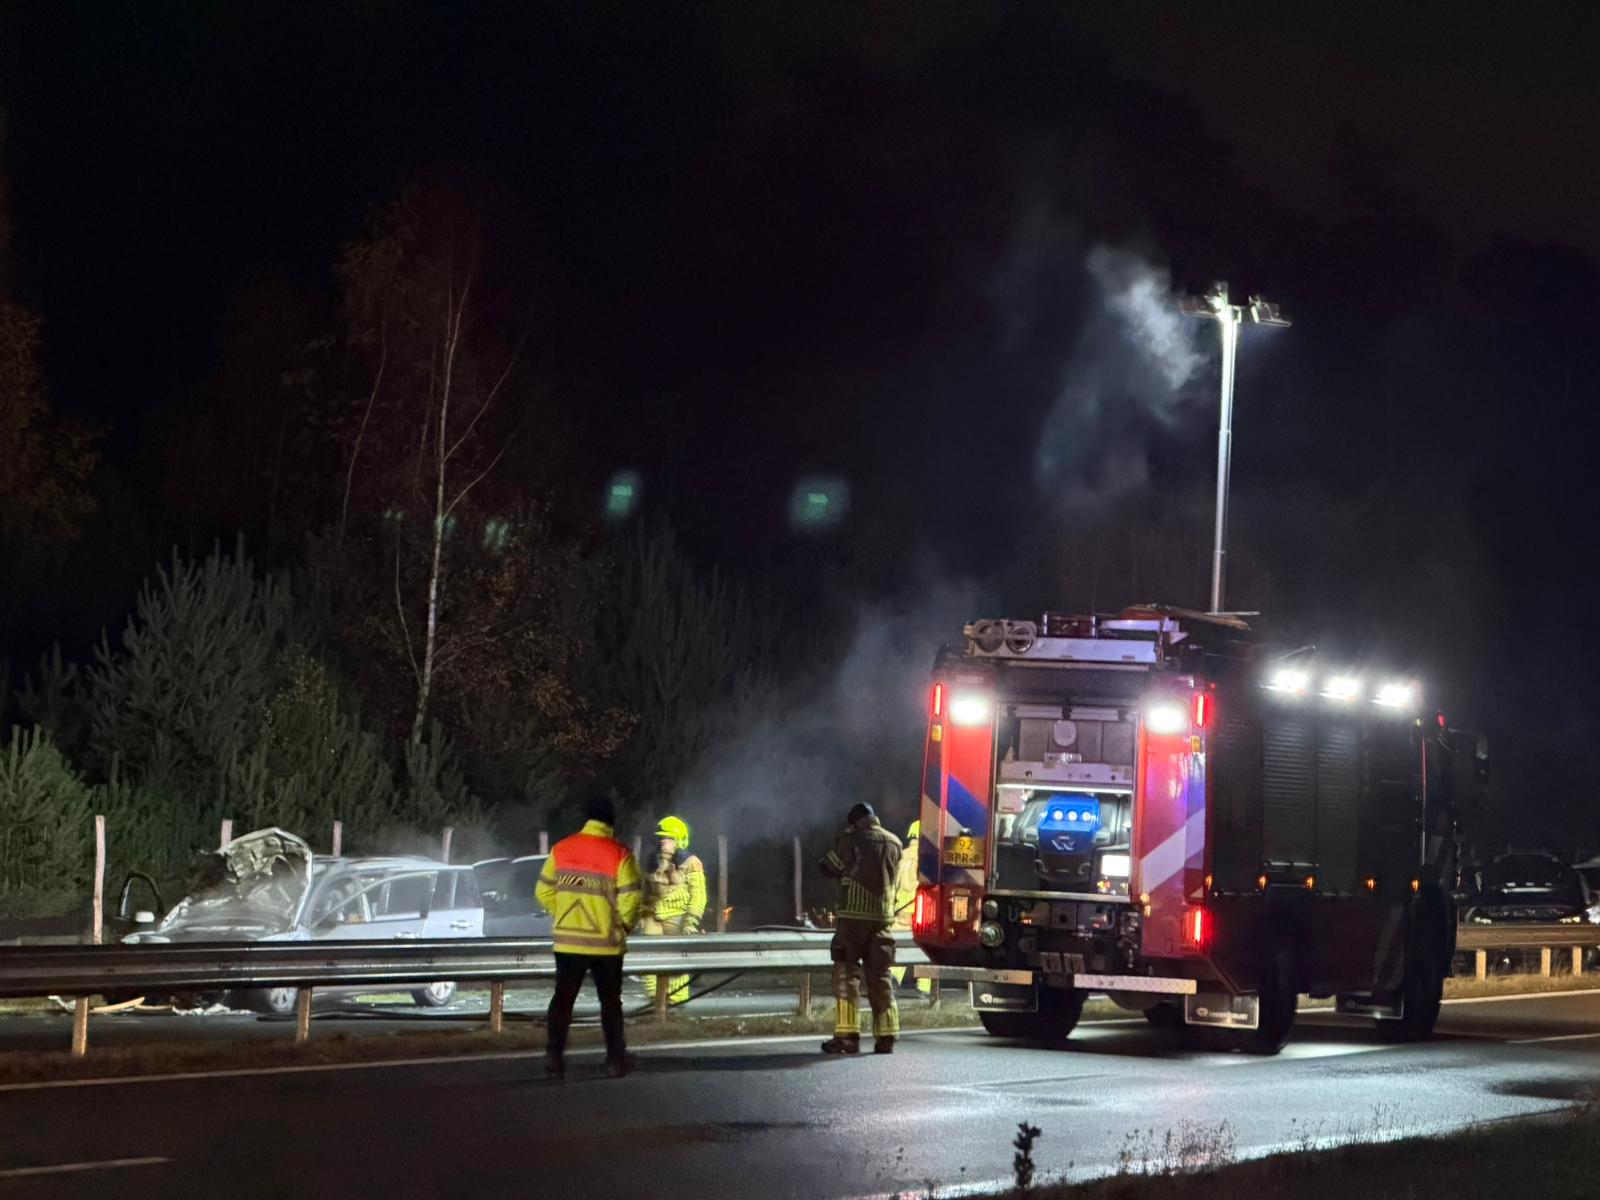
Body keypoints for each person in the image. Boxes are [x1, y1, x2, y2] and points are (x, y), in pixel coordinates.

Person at [536, 790, 643, 1080]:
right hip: (606, 945)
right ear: (611, 820)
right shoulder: (620, 853)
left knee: (562, 1000)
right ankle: (615, 1060)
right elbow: (631, 901)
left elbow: (543, 891)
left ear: (586, 818)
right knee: (610, 1003)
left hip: (568, 942)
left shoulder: (561, 849)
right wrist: (621, 927)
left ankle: (554, 1058)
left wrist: (565, 914)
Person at [818, 801, 903, 1055]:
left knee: (846, 975)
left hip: (853, 919)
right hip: (882, 920)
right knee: (881, 977)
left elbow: (827, 866)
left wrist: (841, 841)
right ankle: (887, 1037)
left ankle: (847, 1037)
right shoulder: (895, 842)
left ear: (854, 822)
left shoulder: (852, 840)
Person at [639, 815, 707, 1005]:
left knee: (677, 962)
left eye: (668, 838)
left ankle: (676, 1002)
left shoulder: (692, 862)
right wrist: (642, 914)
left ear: (679, 840)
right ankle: (655, 1002)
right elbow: (645, 890)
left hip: (678, 917)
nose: (663, 842)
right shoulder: (653, 862)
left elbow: (698, 894)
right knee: (649, 959)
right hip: (653, 916)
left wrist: (691, 920)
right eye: (662, 838)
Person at [890, 819, 933, 996]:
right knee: (924, 950)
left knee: (897, 948)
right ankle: (923, 988)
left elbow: (891, 886)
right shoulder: (927, 858)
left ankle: (892, 979)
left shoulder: (900, 855)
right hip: (920, 913)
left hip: (900, 912)